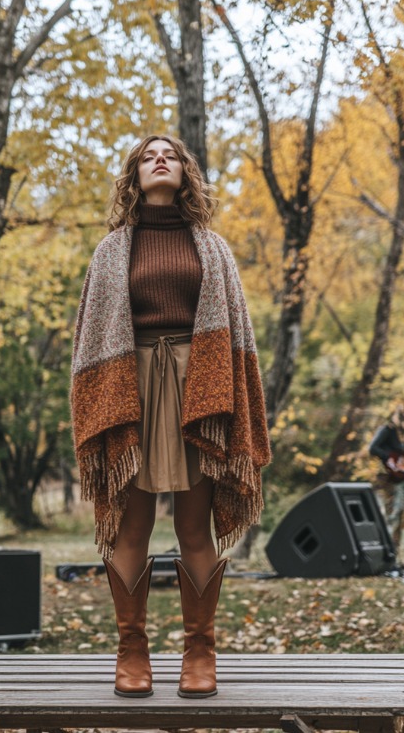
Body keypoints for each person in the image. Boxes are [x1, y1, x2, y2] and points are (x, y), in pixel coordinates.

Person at [70, 134, 270, 699]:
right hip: (128, 386)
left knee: (193, 525)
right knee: (132, 524)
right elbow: (92, 337)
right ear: (134, 176)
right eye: (148, 156)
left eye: (172, 155)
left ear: (186, 173)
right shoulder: (110, 252)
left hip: (200, 388)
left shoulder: (213, 247)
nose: (161, 159)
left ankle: (198, 653)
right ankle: (131, 651)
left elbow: (236, 335)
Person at [370, 403, 404, 555]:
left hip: (401, 479)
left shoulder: (401, 433)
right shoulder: (387, 429)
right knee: (391, 515)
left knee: (401, 516)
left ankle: (395, 553)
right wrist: (390, 460)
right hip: (388, 478)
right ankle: (385, 552)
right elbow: (373, 448)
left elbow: (402, 449)